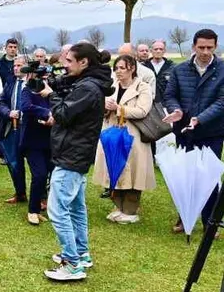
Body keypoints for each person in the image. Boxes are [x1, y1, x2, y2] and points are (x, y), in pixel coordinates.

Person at [39, 42, 113, 281]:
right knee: (76, 208)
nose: (65, 65)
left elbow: (62, 114)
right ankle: (81, 253)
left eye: (69, 61)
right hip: (75, 153)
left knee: (57, 209)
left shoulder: (88, 88)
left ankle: (72, 264)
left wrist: (50, 94)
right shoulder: (87, 83)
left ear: (84, 62)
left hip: (72, 155)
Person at [164, 28, 224, 234]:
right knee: (185, 176)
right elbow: (169, 95)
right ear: (193, 47)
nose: (205, 52)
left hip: (212, 132)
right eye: (201, 47)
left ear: (215, 47)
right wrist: (177, 110)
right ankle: (185, 216)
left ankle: (210, 222)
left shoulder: (222, 70)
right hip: (184, 131)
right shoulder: (180, 70)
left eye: (209, 47)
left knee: (209, 177)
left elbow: (222, 101)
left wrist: (201, 119)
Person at [93, 55, 155, 224]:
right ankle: (119, 207)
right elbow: (102, 107)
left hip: (133, 136)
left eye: (122, 68)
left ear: (132, 68)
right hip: (112, 134)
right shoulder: (112, 86)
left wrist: (119, 108)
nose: (118, 72)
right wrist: (105, 107)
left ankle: (130, 210)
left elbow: (142, 111)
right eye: (116, 68)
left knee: (133, 172)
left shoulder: (143, 87)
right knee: (114, 169)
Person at [19, 65, 54, 225]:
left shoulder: (52, 91)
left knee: (50, 175)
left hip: (51, 140)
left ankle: (47, 206)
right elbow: (26, 107)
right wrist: (47, 113)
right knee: (39, 174)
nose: (43, 80)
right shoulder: (27, 90)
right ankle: (33, 210)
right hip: (32, 141)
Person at [0, 56, 29, 206]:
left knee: (35, 164)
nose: (16, 68)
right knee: (14, 162)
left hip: (30, 129)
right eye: (15, 65)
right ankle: (20, 192)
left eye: (19, 65)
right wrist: (8, 112)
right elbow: (1, 101)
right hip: (13, 127)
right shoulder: (11, 82)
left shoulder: (34, 83)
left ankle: (41, 197)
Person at [144, 39, 175, 104]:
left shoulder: (172, 67)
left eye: (161, 49)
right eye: (156, 49)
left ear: (164, 51)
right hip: (147, 103)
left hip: (166, 103)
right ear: (151, 51)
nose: (158, 51)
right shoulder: (144, 67)